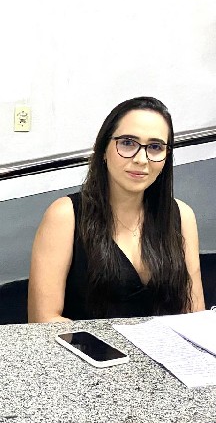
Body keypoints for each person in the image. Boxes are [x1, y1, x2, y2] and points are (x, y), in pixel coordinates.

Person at [28, 97, 205, 322]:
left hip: (166, 345)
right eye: (128, 143)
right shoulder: (65, 215)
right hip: (86, 345)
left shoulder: (182, 216)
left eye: (155, 147)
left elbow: (194, 316)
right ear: (103, 149)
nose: (141, 159)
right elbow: (43, 321)